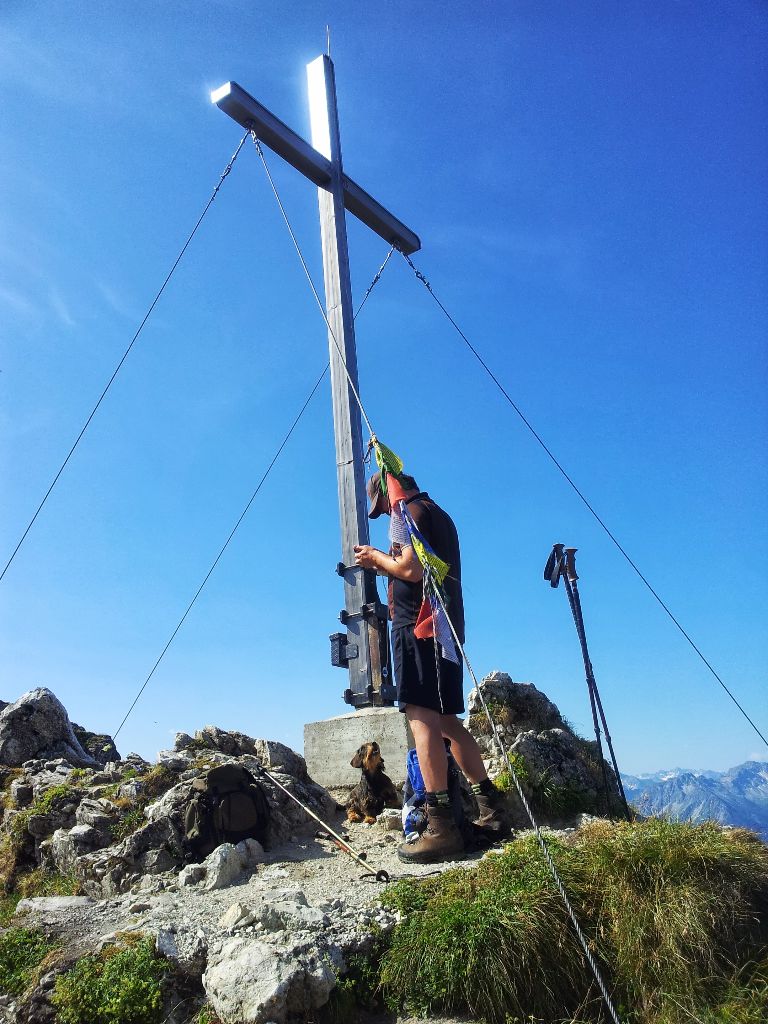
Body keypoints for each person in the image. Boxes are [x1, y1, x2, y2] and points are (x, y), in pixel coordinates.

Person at [354, 470, 510, 863]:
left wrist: (376, 559)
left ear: (390, 493)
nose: (385, 513)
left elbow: (412, 569)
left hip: (417, 627)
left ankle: (440, 827)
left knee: (422, 720)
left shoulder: (409, 513)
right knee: (447, 722)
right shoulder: (438, 513)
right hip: (446, 629)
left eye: (383, 505)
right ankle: (492, 808)